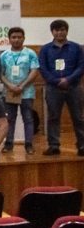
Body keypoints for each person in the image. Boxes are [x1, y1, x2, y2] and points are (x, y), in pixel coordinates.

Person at [38, 19, 84, 156]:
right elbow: (43, 68)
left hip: (74, 87)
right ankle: (53, 146)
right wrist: (56, 81)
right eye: (57, 30)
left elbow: (81, 66)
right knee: (53, 117)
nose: (60, 32)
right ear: (52, 32)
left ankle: (82, 145)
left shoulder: (76, 47)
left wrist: (68, 79)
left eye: (62, 30)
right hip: (53, 88)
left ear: (66, 31)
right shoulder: (45, 49)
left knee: (78, 117)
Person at [0, 27, 40, 154]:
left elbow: (34, 71)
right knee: (9, 119)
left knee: (28, 119)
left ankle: (29, 144)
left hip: (26, 92)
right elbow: (0, 74)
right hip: (9, 92)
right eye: (14, 37)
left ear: (24, 38)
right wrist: (10, 86)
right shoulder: (4, 55)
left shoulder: (30, 53)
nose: (16, 39)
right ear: (9, 39)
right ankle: (8, 144)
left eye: (19, 37)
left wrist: (22, 86)